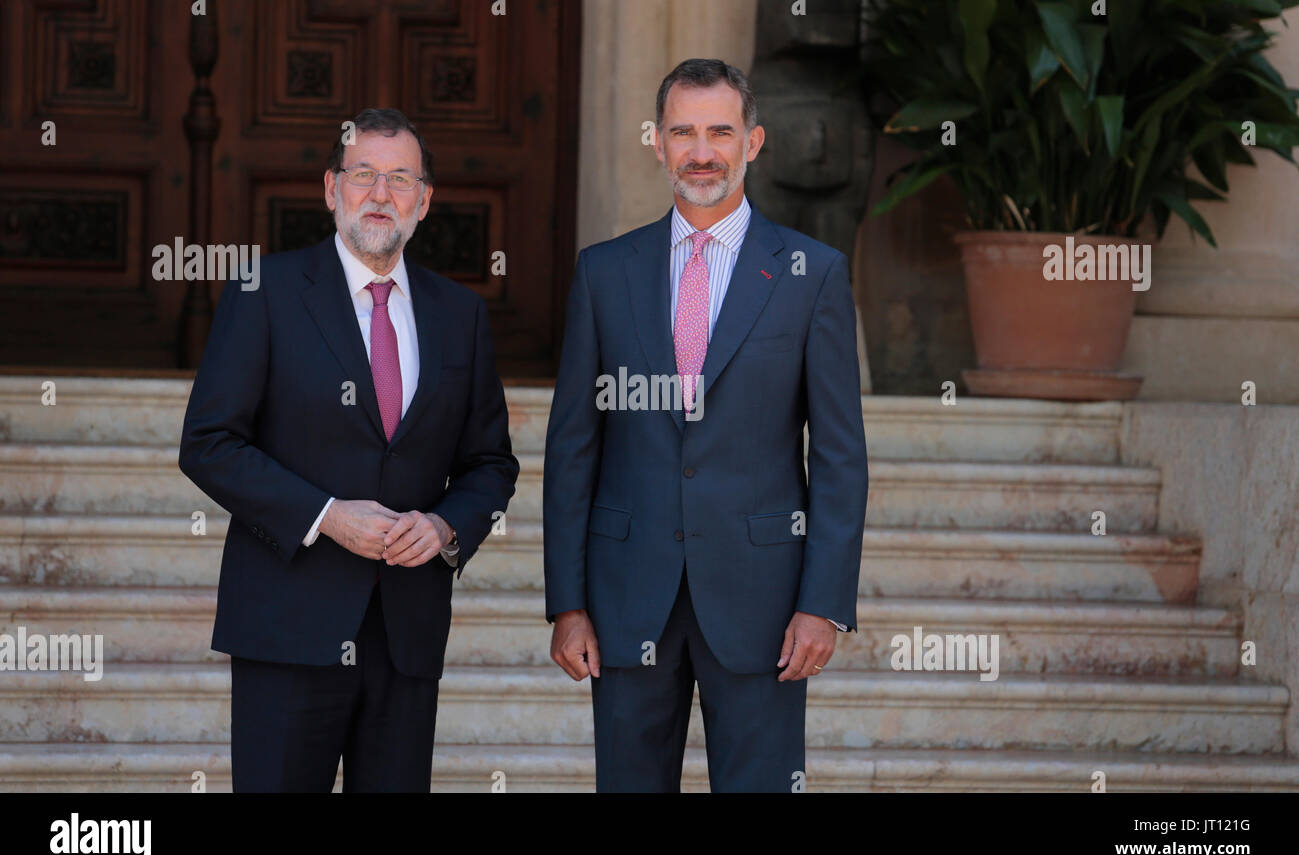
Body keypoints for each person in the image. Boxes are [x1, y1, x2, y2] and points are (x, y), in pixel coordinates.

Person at [543, 59, 869, 792]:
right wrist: (567, 604)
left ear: (753, 142)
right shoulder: (603, 272)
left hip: (765, 602)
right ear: (656, 142)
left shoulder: (811, 274)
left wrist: (823, 604)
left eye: (720, 131)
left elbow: (841, 456)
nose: (701, 151)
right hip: (626, 594)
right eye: (683, 131)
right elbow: (572, 447)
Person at [179, 107, 518, 792]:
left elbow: (490, 461)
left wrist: (447, 525)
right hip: (288, 622)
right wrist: (327, 514)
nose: (380, 193)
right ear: (331, 189)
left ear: (423, 201)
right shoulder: (265, 292)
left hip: (407, 630)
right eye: (363, 174)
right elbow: (209, 442)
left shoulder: (461, 314)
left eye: (399, 178)